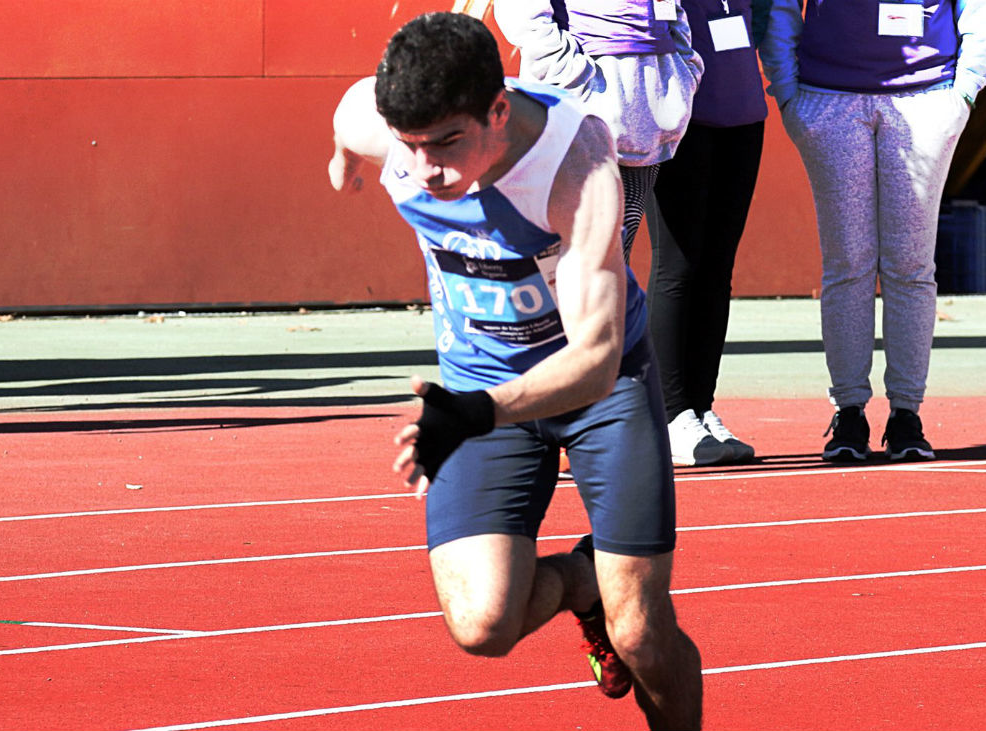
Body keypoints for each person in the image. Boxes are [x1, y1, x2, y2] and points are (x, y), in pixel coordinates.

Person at [327, 12, 702, 729]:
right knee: (481, 624)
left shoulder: (580, 166)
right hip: (481, 383)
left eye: (446, 144)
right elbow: (349, 119)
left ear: (499, 110)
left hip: (601, 391)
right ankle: (581, 582)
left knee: (642, 634)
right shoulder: (384, 124)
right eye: (408, 148)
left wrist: (477, 411)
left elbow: (594, 359)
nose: (427, 170)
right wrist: (345, 162)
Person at [759, 0, 986, 462]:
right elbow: (782, 9)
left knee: (911, 265)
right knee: (848, 263)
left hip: (927, 100)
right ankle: (849, 410)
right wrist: (788, 93)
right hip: (828, 100)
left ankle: (906, 413)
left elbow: (980, 12)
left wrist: (964, 92)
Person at [644, 0, 768, 467]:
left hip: (744, 113)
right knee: (678, 266)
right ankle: (669, 414)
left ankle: (700, 406)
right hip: (680, 116)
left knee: (718, 270)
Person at [494, 0, 703, 263]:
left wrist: (683, 71)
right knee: (571, 260)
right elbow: (523, 15)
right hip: (575, 121)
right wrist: (574, 80)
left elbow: (672, 10)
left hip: (650, 115)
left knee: (616, 258)